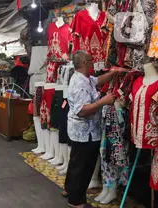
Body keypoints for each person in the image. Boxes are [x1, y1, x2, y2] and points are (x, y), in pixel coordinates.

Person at [64, 50, 126, 208]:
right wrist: (103, 101)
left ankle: (71, 191)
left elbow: (97, 80)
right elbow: (82, 110)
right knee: (83, 166)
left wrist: (113, 73)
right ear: (85, 63)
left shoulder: (84, 78)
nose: (94, 62)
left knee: (76, 162)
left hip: (85, 132)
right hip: (85, 131)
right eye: (92, 60)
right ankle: (76, 201)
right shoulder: (79, 83)